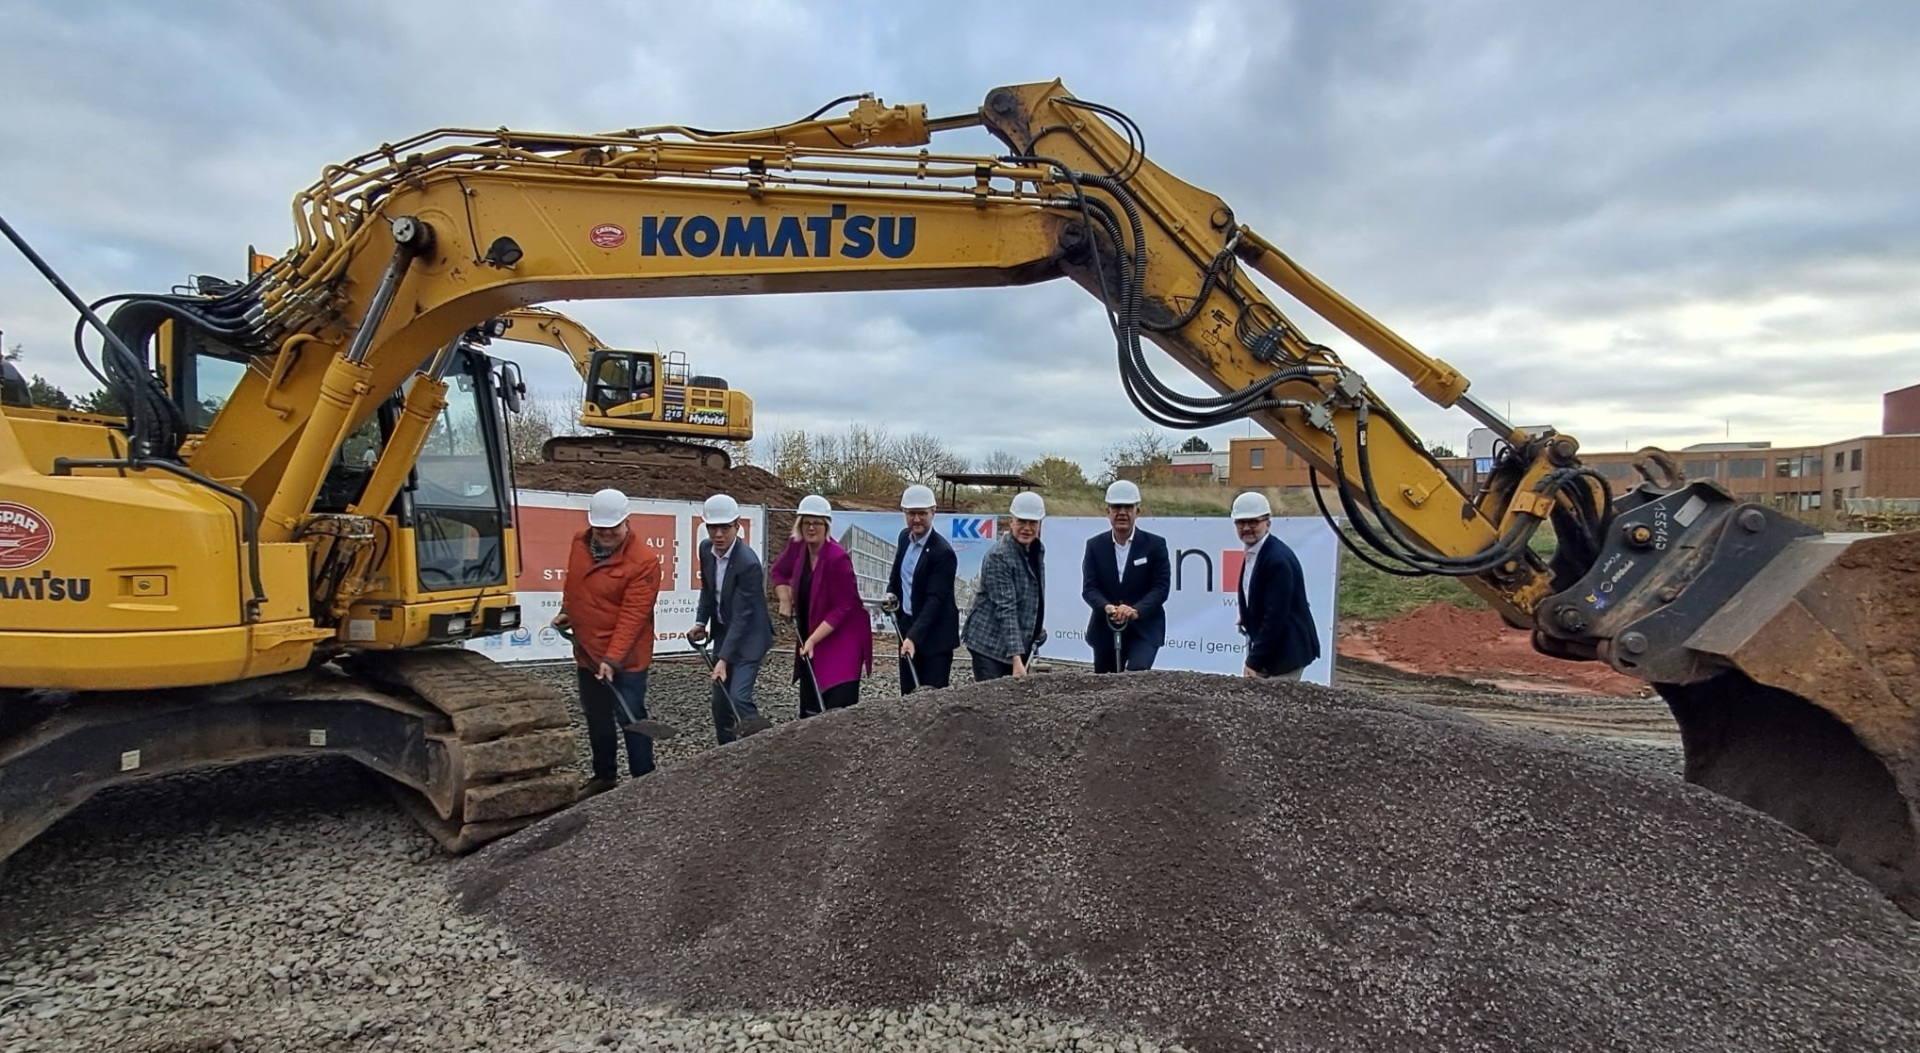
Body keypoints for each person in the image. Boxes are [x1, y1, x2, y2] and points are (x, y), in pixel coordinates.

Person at [553, 487, 661, 793]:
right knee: (596, 715)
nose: (606, 534)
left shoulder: (644, 562)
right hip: (587, 651)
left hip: (626, 658)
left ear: (626, 522)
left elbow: (633, 617)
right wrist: (567, 611)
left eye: (612, 528)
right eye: (600, 528)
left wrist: (612, 659)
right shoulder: (580, 542)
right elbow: (574, 581)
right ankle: (604, 776)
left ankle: (644, 780)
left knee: (631, 716)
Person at [770, 495, 872, 715]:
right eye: (806, 522)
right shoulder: (797, 547)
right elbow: (778, 572)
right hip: (809, 634)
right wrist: (785, 599)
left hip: (841, 639)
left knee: (835, 705)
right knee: (810, 706)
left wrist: (813, 639)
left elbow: (844, 607)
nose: (811, 528)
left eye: (817, 523)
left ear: (826, 525)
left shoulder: (837, 558)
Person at [689, 493, 775, 743]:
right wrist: (700, 622)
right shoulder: (706, 550)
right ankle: (725, 754)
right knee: (720, 702)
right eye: (712, 527)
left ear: (737, 525)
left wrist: (723, 660)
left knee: (738, 697)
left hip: (750, 638)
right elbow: (707, 589)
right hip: (725, 633)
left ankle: (765, 745)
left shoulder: (748, 563)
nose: (718, 534)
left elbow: (742, 615)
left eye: (724, 528)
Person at [1080, 479, 1170, 673]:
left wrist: (1135, 610)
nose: (1122, 512)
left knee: (1136, 673)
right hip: (1105, 628)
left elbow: (1161, 588)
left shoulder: (1155, 545)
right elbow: (1089, 588)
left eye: (1128, 507)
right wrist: (1107, 607)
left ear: (1137, 511)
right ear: (1108, 512)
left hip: (1144, 628)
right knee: (1106, 685)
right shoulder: (1095, 546)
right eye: (1116, 507)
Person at [1232, 491, 1320, 680]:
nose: (1246, 528)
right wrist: (1248, 616)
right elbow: (1259, 594)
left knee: (1273, 708)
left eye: (1253, 522)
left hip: (1285, 656)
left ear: (1267, 523)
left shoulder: (1276, 560)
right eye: (1241, 522)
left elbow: (1276, 617)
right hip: (1273, 652)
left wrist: (1253, 662)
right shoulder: (1257, 552)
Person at [962, 491, 1048, 682]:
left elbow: (1033, 594)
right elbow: (1006, 608)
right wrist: (1016, 659)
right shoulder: (999, 557)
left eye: (1032, 523)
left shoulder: (1036, 550)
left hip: (1014, 642)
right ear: (1011, 522)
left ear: (1040, 524)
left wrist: (1035, 625)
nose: (1027, 528)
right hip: (989, 645)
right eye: (1021, 522)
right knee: (993, 704)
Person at [883, 483, 958, 693]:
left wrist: (913, 638)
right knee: (908, 695)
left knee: (932, 699)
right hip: (908, 628)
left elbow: (935, 601)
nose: (916, 519)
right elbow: (897, 573)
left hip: (935, 638)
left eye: (922, 514)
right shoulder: (903, 538)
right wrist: (891, 595)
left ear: (933, 512)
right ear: (904, 513)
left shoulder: (943, 553)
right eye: (911, 513)